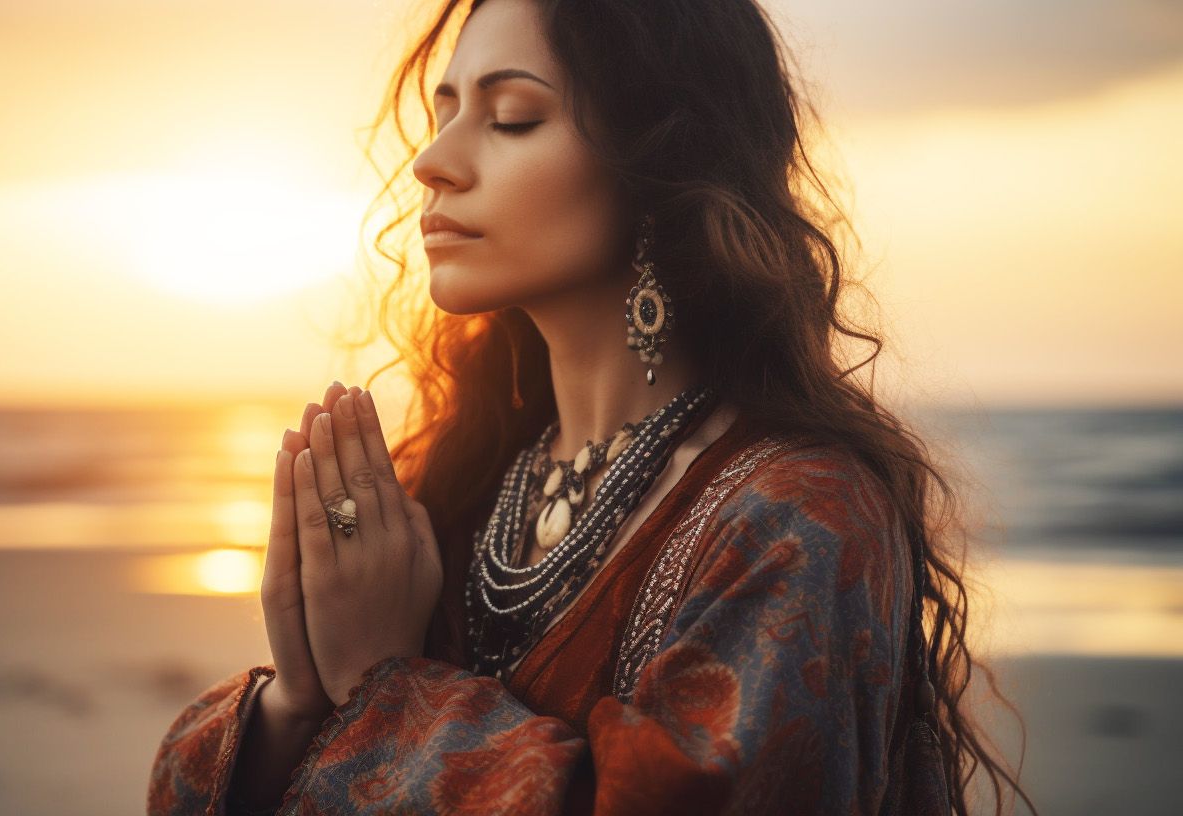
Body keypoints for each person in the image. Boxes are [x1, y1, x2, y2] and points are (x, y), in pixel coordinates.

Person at [147, 1, 1036, 814]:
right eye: (444, 112)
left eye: (511, 117)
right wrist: (300, 701)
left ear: (659, 165)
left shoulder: (800, 517)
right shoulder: (463, 487)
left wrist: (385, 686)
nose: (432, 162)